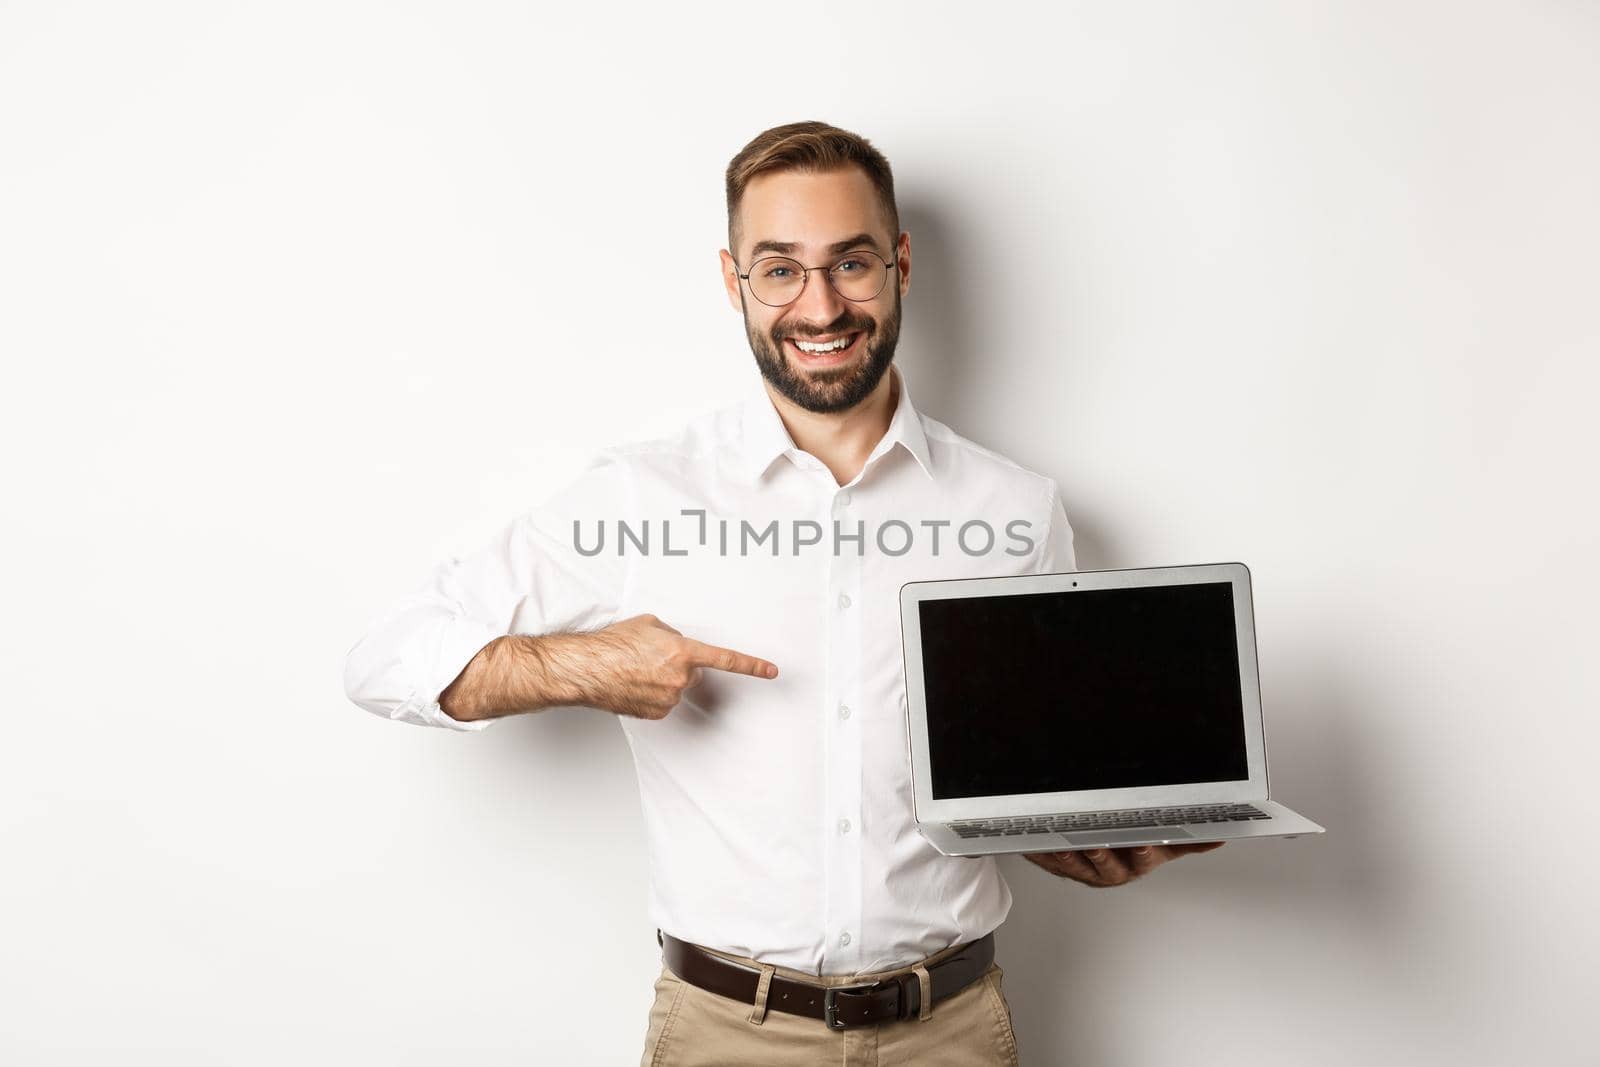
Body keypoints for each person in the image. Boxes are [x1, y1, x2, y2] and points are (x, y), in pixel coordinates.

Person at [342, 120, 1224, 1066]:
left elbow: (1035, 759)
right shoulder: (642, 499)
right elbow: (386, 658)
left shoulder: (1016, 511)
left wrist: (1084, 832)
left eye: (851, 263)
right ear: (735, 282)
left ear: (900, 265)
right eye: (780, 269)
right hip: (728, 1034)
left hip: (953, 1031)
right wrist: (578, 663)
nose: (820, 306)